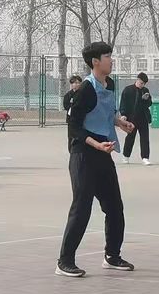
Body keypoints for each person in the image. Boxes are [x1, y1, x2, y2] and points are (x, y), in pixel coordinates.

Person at [56, 42, 135, 277]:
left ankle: (112, 256)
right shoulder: (85, 90)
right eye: (107, 56)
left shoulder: (109, 84)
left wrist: (120, 123)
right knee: (81, 208)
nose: (112, 59)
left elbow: (106, 113)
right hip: (83, 154)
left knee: (115, 207)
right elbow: (74, 128)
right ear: (95, 62)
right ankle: (64, 261)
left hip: (103, 153)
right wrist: (96, 144)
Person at [120, 72, 152, 165]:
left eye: (144, 84)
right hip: (132, 118)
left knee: (145, 138)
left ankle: (145, 157)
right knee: (130, 137)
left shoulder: (145, 90)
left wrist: (146, 99)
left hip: (143, 117)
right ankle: (126, 156)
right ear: (137, 80)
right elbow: (123, 103)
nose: (142, 85)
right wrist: (123, 114)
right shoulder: (128, 90)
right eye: (141, 83)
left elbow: (149, 103)